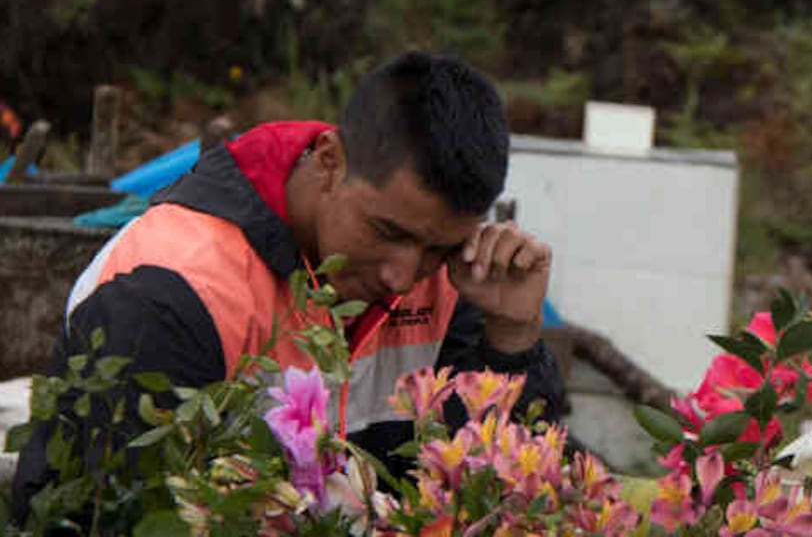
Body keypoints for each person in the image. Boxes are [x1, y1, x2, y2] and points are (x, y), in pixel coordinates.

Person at [12, 51, 564, 518]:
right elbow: (91, 517)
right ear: (329, 161)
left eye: (437, 247)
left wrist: (512, 334)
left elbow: (500, 494)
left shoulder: (449, 278)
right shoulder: (172, 288)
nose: (403, 276)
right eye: (385, 231)